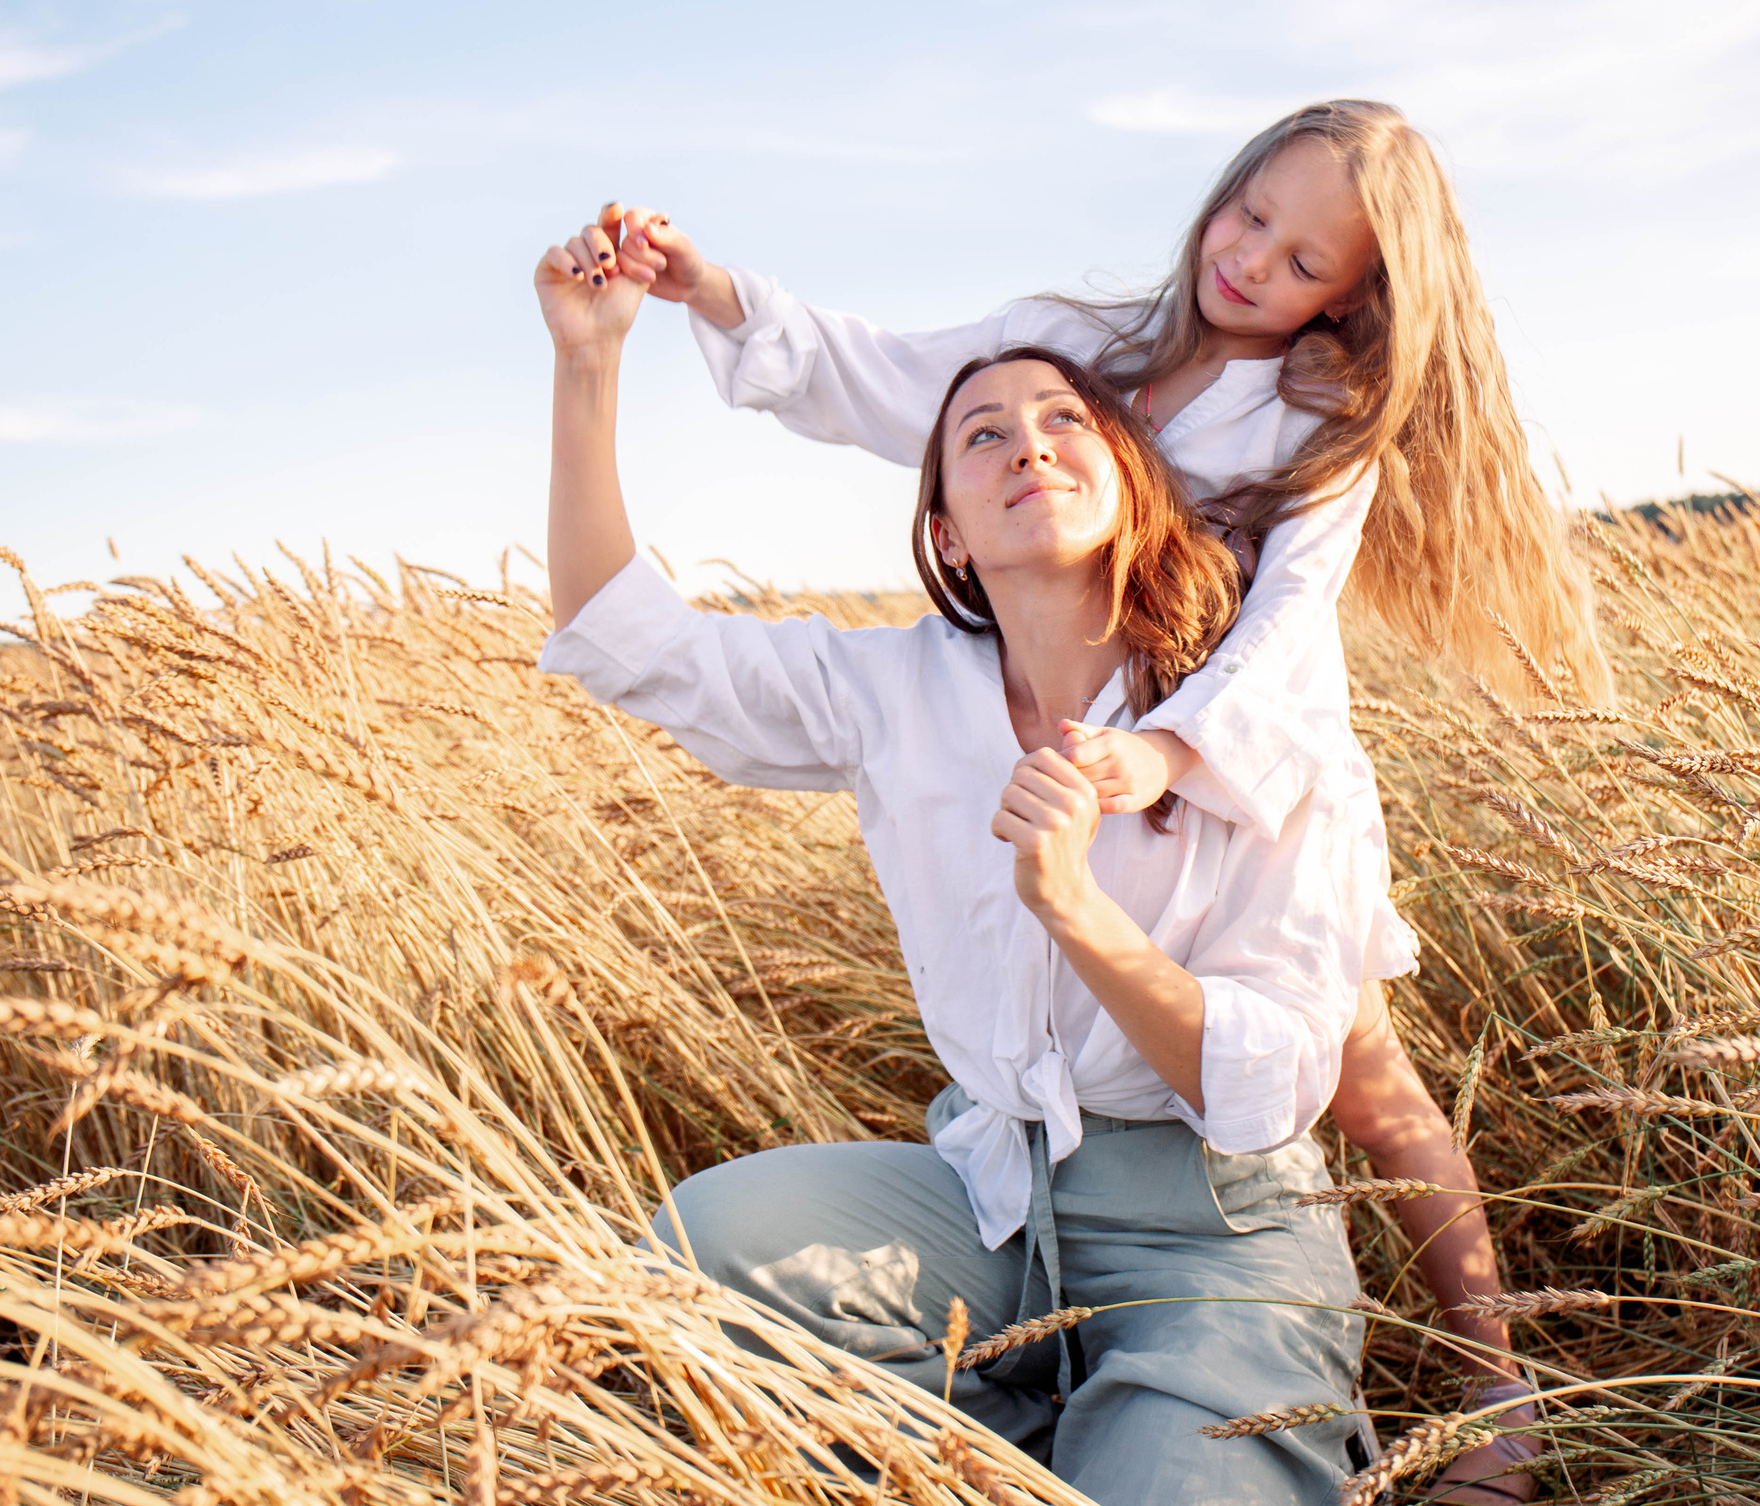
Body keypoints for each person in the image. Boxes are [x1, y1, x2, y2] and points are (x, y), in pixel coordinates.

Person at [596, 100, 1602, 1501]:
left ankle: (1494, 1387)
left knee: (1361, 1074)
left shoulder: (1319, 422)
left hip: (1236, 738)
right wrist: (709, 289)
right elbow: (899, 383)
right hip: (1096, 707)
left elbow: (1291, 627)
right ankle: (1068, 1392)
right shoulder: (1085, 345)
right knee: (1279, 1060)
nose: (1252, 263)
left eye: (1305, 261)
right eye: (1251, 213)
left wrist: (1170, 755)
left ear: (1355, 297)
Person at [532, 217, 1380, 1504]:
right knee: (699, 1250)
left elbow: (1265, 1088)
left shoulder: (1245, 713)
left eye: (1064, 423)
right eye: (982, 434)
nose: (1026, 443)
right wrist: (588, 363)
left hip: (1213, 1230)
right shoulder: (893, 688)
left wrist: (1080, 913)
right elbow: (622, 635)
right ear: (946, 522)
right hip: (995, 1201)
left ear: (1133, 481)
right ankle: (1040, 1416)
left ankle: (1197, 1423)